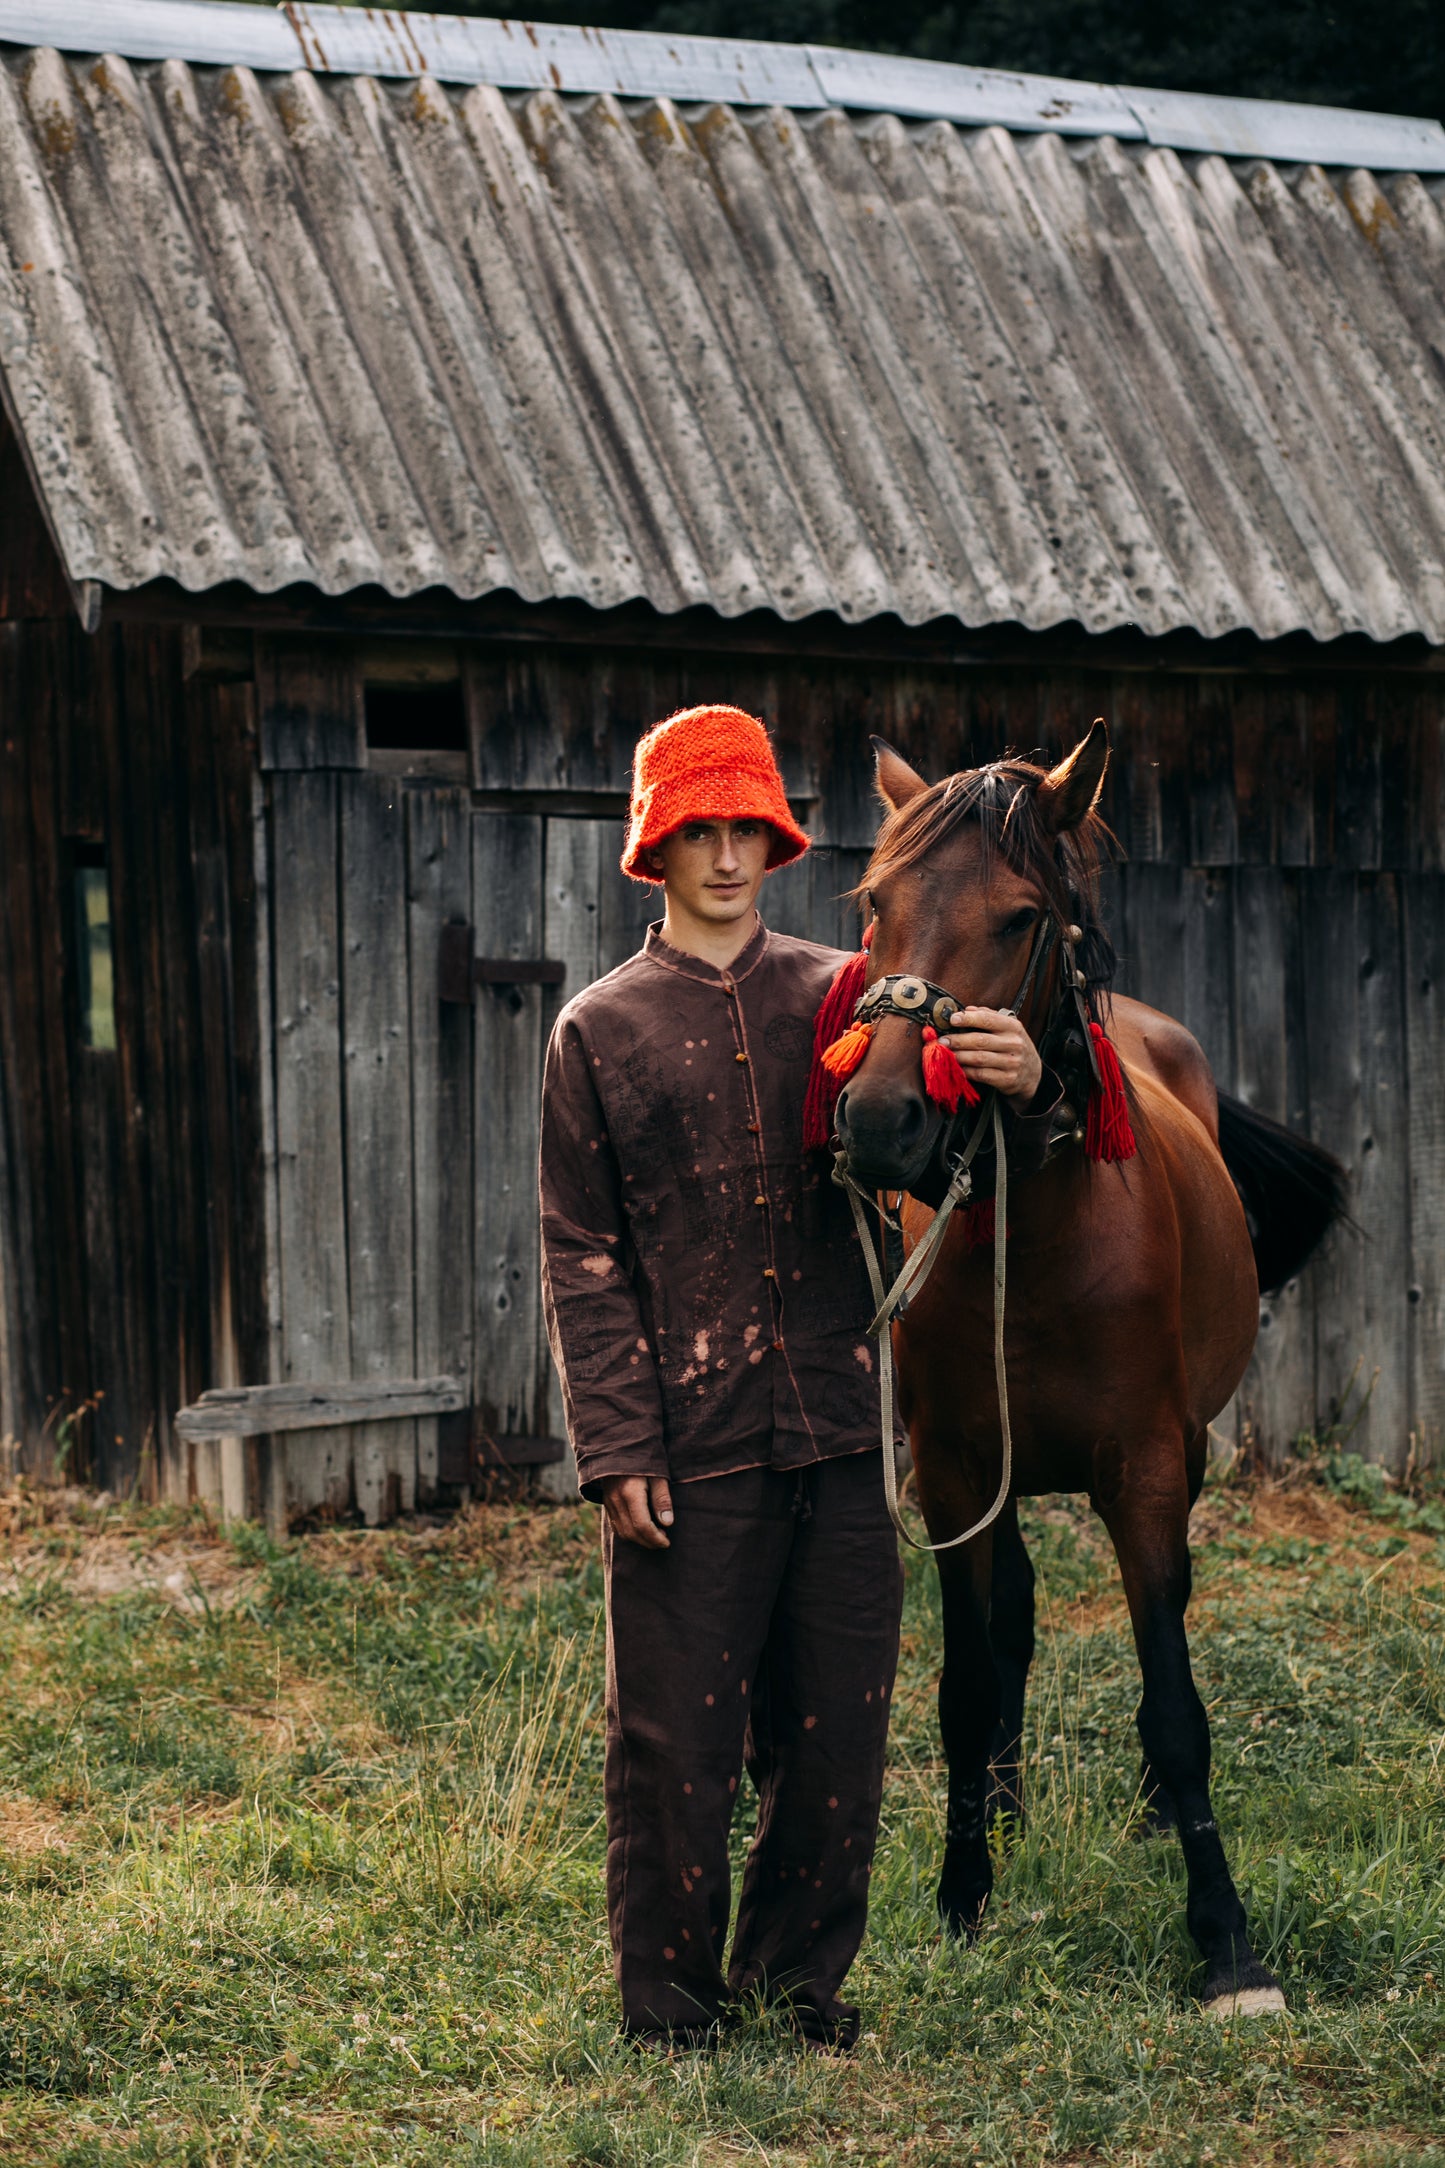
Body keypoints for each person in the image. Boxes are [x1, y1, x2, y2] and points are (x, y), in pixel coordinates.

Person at [537, 704, 1044, 2050]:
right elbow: (578, 1255)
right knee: (675, 1746)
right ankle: (669, 2011)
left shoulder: (850, 992)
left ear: (774, 838)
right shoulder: (598, 1032)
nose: (722, 855)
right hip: (685, 1442)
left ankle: (795, 1986)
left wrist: (1018, 1080)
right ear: (657, 846)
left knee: (834, 1743)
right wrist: (616, 1446)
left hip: (836, 1422)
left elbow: (944, 1167)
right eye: (695, 830)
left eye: (743, 829)